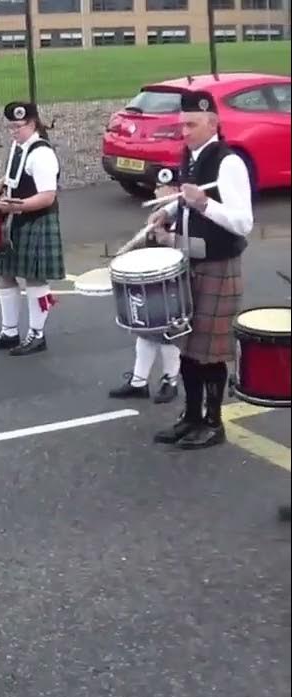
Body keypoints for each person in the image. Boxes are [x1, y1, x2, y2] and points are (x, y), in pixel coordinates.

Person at [146, 89, 252, 450]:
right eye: (182, 124)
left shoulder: (228, 162)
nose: (184, 131)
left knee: (209, 352)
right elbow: (186, 201)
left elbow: (243, 222)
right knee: (188, 348)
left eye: (191, 124)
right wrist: (169, 211)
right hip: (189, 262)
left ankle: (213, 422)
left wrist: (204, 204)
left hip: (219, 264)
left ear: (213, 122)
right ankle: (190, 417)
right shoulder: (189, 156)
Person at [0, 102, 63, 357]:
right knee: (4, 274)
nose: (13, 131)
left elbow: (48, 196)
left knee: (36, 280)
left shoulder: (43, 154)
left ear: (33, 124)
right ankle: (9, 332)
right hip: (16, 219)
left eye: (18, 126)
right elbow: (18, 172)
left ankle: (37, 335)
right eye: (10, 126)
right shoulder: (20, 146)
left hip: (36, 220)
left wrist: (15, 206)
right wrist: (2, 181)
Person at [107, 179, 183, 404]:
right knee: (146, 330)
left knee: (170, 333)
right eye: (157, 188)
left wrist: (170, 239)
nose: (159, 192)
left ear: (176, 190)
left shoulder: (186, 215)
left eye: (164, 189)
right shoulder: (160, 214)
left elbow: (196, 248)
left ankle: (171, 381)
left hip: (174, 283)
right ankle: (139, 382)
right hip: (152, 282)